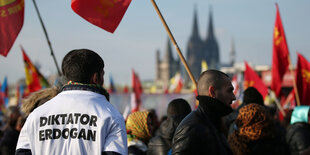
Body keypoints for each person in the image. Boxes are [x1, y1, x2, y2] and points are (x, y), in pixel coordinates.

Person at [16, 49, 128, 155]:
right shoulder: (112, 116)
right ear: (96, 78)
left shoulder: (36, 115)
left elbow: (22, 152)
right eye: (103, 74)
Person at [172, 70, 236, 155]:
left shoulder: (215, 123)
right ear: (212, 92)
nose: (233, 97)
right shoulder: (191, 129)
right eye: (229, 91)